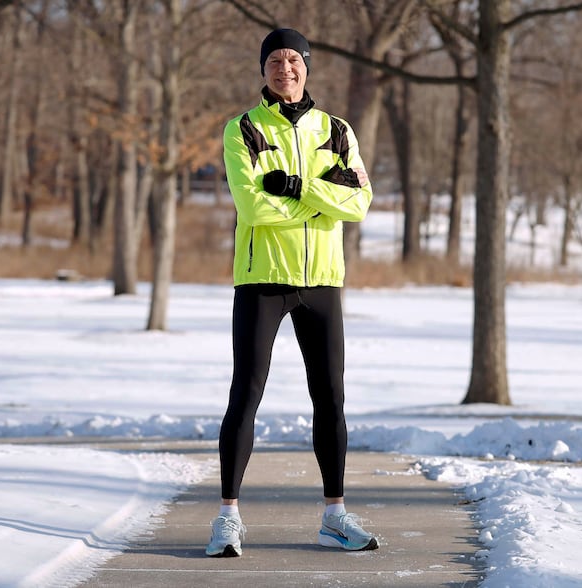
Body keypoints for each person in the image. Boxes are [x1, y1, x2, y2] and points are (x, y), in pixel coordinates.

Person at [205, 28, 377, 558]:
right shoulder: (243, 129)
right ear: (263, 70)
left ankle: (335, 516)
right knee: (246, 395)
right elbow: (253, 207)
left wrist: (299, 187)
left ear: (307, 67)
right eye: (275, 60)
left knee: (331, 400)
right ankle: (227, 518)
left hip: (323, 279)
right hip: (262, 280)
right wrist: (327, 198)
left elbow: (361, 202)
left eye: (294, 59)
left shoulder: (339, 130)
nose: (285, 68)